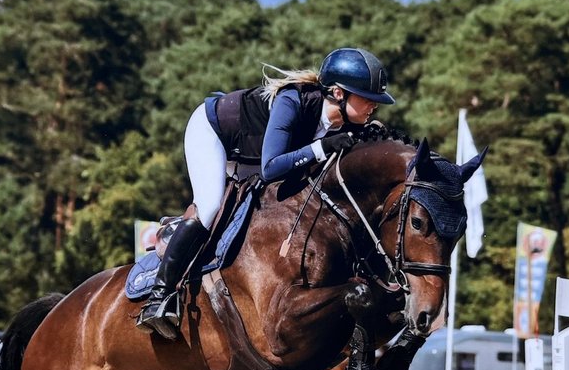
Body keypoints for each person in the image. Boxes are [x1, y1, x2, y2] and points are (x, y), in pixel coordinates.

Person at [137, 47, 396, 339]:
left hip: (252, 156)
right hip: (215, 133)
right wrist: (322, 147)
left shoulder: (344, 123)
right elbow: (272, 168)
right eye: (368, 99)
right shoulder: (292, 102)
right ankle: (159, 297)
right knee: (209, 206)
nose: (374, 106)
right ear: (338, 93)